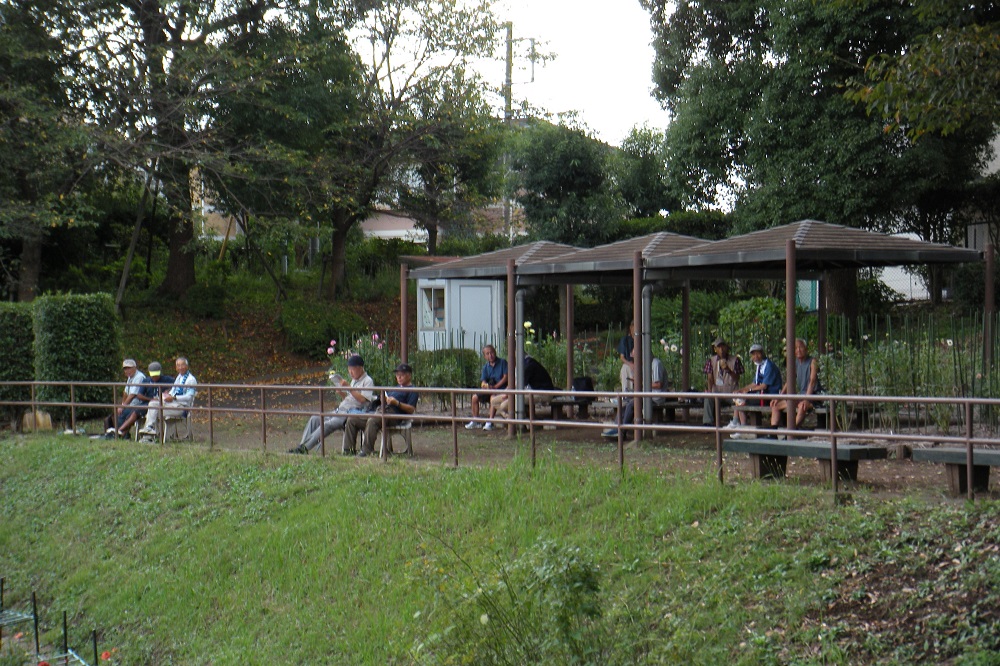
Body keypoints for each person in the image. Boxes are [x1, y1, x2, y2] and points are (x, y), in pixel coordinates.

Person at [289, 355, 374, 455]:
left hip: (351, 413)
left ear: (360, 368)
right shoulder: (354, 380)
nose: (350, 372)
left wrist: (349, 388)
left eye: (353, 369)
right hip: (340, 410)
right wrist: (341, 393)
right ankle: (301, 445)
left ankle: (305, 448)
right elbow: (350, 399)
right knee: (315, 418)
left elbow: (363, 400)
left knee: (328, 424)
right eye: (349, 369)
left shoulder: (367, 381)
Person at [343, 363, 419, 457]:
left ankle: (366, 451)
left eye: (402, 375)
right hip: (380, 410)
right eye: (397, 375)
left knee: (373, 420)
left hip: (393, 414)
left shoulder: (413, 390)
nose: (398, 377)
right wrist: (383, 399)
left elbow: (411, 409)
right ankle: (348, 450)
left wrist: (397, 403)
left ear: (409, 375)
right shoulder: (395, 388)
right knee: (352, 419)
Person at [603, 356, 667, 438]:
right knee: (625, 402)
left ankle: (622, 432)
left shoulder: (656, 364)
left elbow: (658, 385)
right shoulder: (646, 364)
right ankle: (616, 428)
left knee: (632, 404)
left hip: (655, 397)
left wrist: (640, 383)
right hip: (646, 395)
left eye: (635, 357)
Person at [138, 357, 198, 441]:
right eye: (178, 365)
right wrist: (167, 395)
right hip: (172, 404)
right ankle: (149, 429)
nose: (180, 367)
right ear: (176, 367)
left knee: (153, 411)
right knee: (153, 403)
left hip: (182, 407)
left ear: (187, 366)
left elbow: (189, 397)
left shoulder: (191, 380)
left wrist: (174, 397)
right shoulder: (179, 377)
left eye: (182, 365)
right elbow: (173, 391)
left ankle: (149, 434)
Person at [730, 344, 782, 437]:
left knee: (741, 400)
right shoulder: (760, 366)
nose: (755, 356)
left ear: (762, 354)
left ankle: (741, 427)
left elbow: (764, 386)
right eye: (753, 354)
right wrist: (741, 390)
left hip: (770, 396)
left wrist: (748, 391)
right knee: (739, 397)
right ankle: (739, 425)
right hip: (762, 394)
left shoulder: (769, 366)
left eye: (758, 354)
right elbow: (755, 383)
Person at [770, 338, 822, 429]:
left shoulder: (813, 361)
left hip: (814, 397)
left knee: (802, 406)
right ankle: (773, 431)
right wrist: (779, 397)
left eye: (800, 347)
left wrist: (806, 399)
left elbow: (812, 381)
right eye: (795, 348)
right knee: (776, 406)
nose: (798, 350)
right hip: (801, 395)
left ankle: (791, 431)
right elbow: (790, 380)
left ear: (806, 349)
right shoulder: (795, 362)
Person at [702, 338, 745, 427]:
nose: (721, 349)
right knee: (707, 397)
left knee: (739, 400)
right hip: (716, 392)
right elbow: (710, 378)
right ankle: (708, 423)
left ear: (727, 347)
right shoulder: (711, 360)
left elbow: (737, 378)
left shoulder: (735, 360)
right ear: (715, 349)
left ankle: (737, 422)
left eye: (723, 347)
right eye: (719, 347)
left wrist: (728, 370)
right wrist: (709, 391)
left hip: (731, 393)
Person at [465, 344, 508, 432]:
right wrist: (485, 385)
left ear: (495, 352)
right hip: (490, 388)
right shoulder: (486, 367)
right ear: (484, 356)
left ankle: (490, 421)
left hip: (501, 389)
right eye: (487, 354)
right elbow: (483, 380)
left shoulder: (503, 362)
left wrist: (495, 387)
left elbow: (505, 377)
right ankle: (476, 420)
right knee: (474, 397)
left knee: (493, 397)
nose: (490, 355)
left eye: (491, 353)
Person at [103, 359, 148, 438]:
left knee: (122, 414)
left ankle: (122, 435)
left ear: (135, 367)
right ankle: (114, 434)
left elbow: (132, 395)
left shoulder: (139, 377)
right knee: (115, 414)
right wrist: (122, 405)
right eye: (125, 369)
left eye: (129, 368)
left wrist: (123, 407)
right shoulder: (130, 377)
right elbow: (126, 393)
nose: (127, 371)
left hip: (139, 404)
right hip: (131, 405)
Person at [618, 321, 635, 392]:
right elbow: (622, 357)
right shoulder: (625, 340)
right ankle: (627, 392)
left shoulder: (642, 340)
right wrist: (630, 364)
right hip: (629, 364)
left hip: (640, 364)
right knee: (625, 368)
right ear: (631, 328)